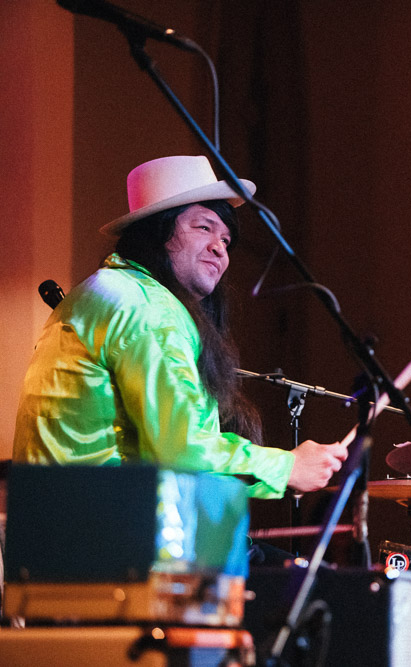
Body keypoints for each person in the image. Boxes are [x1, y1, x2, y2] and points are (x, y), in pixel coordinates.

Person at [13, 155, 347, 498]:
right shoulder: (148, 307)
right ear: (157, 232)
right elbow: (183, 453)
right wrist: (287, 466)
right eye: (204, 227)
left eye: (226, 240)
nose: (220, 248)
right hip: (107, 532)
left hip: (59, 524)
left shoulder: (105, 291)